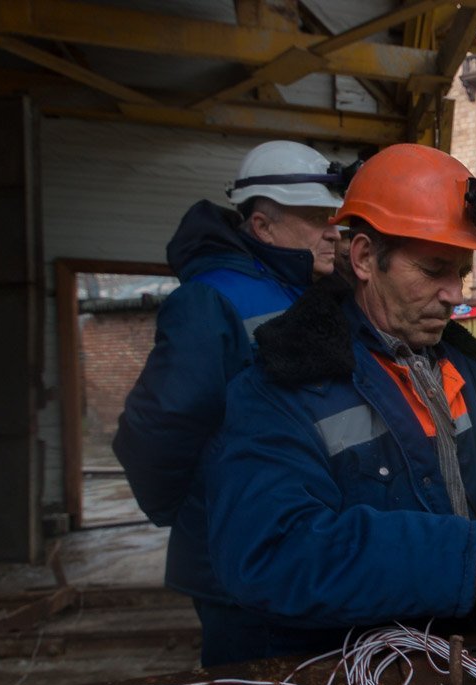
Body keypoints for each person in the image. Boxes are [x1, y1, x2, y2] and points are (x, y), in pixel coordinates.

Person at [200, 144, 476, 666]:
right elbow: (269, 553)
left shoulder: (463, 367)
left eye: (459, 271)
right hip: (347, 683)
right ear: (366, 258)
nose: (453, 294)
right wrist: (458, 555)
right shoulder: (283, 385)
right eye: (434, 269)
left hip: (464, 661)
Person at [113, 140, 349, 616]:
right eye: (316, 219)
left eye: (336, 220)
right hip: (236, 550)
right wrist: (192, 509)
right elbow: (159, 425)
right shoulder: (211, 299)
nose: (334, 235)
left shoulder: (307, 292)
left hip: (302, 541)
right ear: (262, 225)